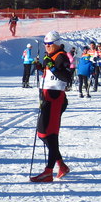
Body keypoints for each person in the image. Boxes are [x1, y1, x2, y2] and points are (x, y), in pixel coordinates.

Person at [30, 31, 71, 182]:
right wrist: (41, 67)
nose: (47, 46)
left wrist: (51, 66)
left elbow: (66, 77)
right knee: (42, 133)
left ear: (57, 43)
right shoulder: (52, 56)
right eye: (45, 44)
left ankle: (49, 171)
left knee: (50, 134)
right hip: (47, 97)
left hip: (55, 98)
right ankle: (61, 165)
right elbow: (52, 74)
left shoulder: (61, 56)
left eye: (49, 44)